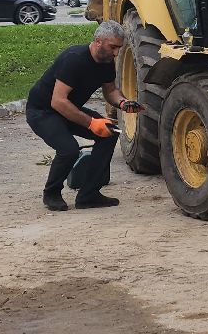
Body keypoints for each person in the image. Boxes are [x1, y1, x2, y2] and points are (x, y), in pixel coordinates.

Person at [26, 21, 138, 212]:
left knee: (109, 134)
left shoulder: (106, 62)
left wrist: (122, 103)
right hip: (43, 111)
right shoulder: (74, 59)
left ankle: (89, 195)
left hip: (69, 109)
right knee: (68, 149)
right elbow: (58, 101)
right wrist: (91, 122)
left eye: (119, 48)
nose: (116, 53)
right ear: (98, 41)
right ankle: (51, 193)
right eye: (113, 47)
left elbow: (110, 91)